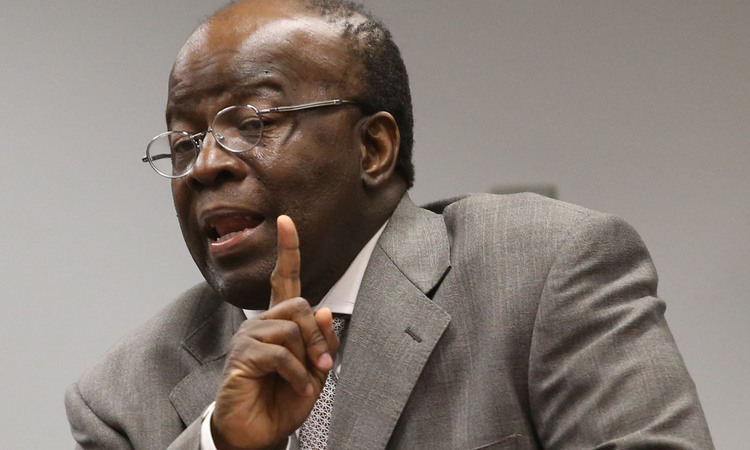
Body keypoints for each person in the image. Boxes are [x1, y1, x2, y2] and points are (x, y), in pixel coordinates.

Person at [65, 0, 714, 448]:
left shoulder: (543, 272)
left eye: (254, 124)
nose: (205, 165)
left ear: (373, 148)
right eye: (184, 142)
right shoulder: (124, 396)